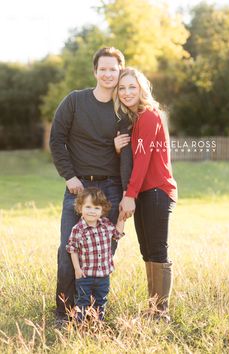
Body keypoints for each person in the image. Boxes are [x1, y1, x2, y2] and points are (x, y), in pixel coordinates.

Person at [50, 47, 133, 325]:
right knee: (68, 248)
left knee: (103, 252)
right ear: (95, 71)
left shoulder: (124, 111)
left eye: (114, 69)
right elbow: (57, 140)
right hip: (78, 188)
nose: (108, 74)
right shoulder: (75, 101)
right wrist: (69, 175)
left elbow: (126, 157)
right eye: (103, 68)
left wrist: (125, 193)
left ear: (120, 71)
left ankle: (93, 311)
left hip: (109, 188)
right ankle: (64, 311)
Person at [114, 67, 177, 322]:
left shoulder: (149, 116)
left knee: (157, 251)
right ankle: (153, 309)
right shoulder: (136, 119)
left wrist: (129, 195)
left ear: (142, 88)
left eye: (132, 87)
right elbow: (134, 157)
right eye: (122, 88)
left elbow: (143, 161)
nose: (127, 92)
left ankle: (160, 313)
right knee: (147, 251)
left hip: (157, 191)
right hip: (145, 192)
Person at [66, 187, 125, 322]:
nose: (92, 211)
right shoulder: (78, 229)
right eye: (88, 207)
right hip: (85, 275)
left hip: (103, 275)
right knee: (83, 301)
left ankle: (97, 324)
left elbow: (117, 234)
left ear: (102, 211)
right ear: (80, 208)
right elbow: (72, 249)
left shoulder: (105, 225)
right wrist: (77, 270)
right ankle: (80, 325)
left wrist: (121, 219)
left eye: (97, 208)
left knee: (101, 301)